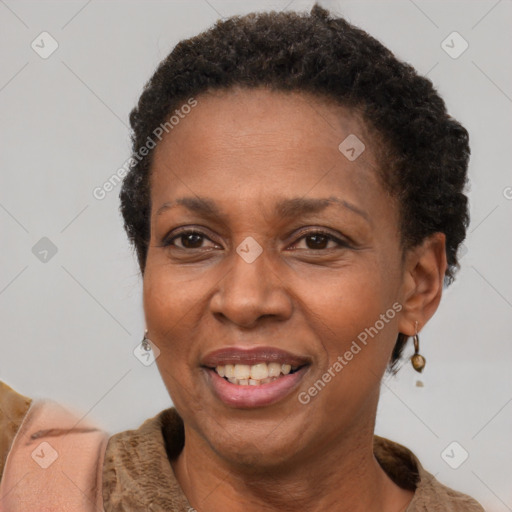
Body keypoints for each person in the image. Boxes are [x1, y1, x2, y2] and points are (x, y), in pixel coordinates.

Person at [0, 4, 485, 511]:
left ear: (418, 281)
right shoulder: (29, 482)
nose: (245, 299)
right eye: (191, 240)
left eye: (316, 241)